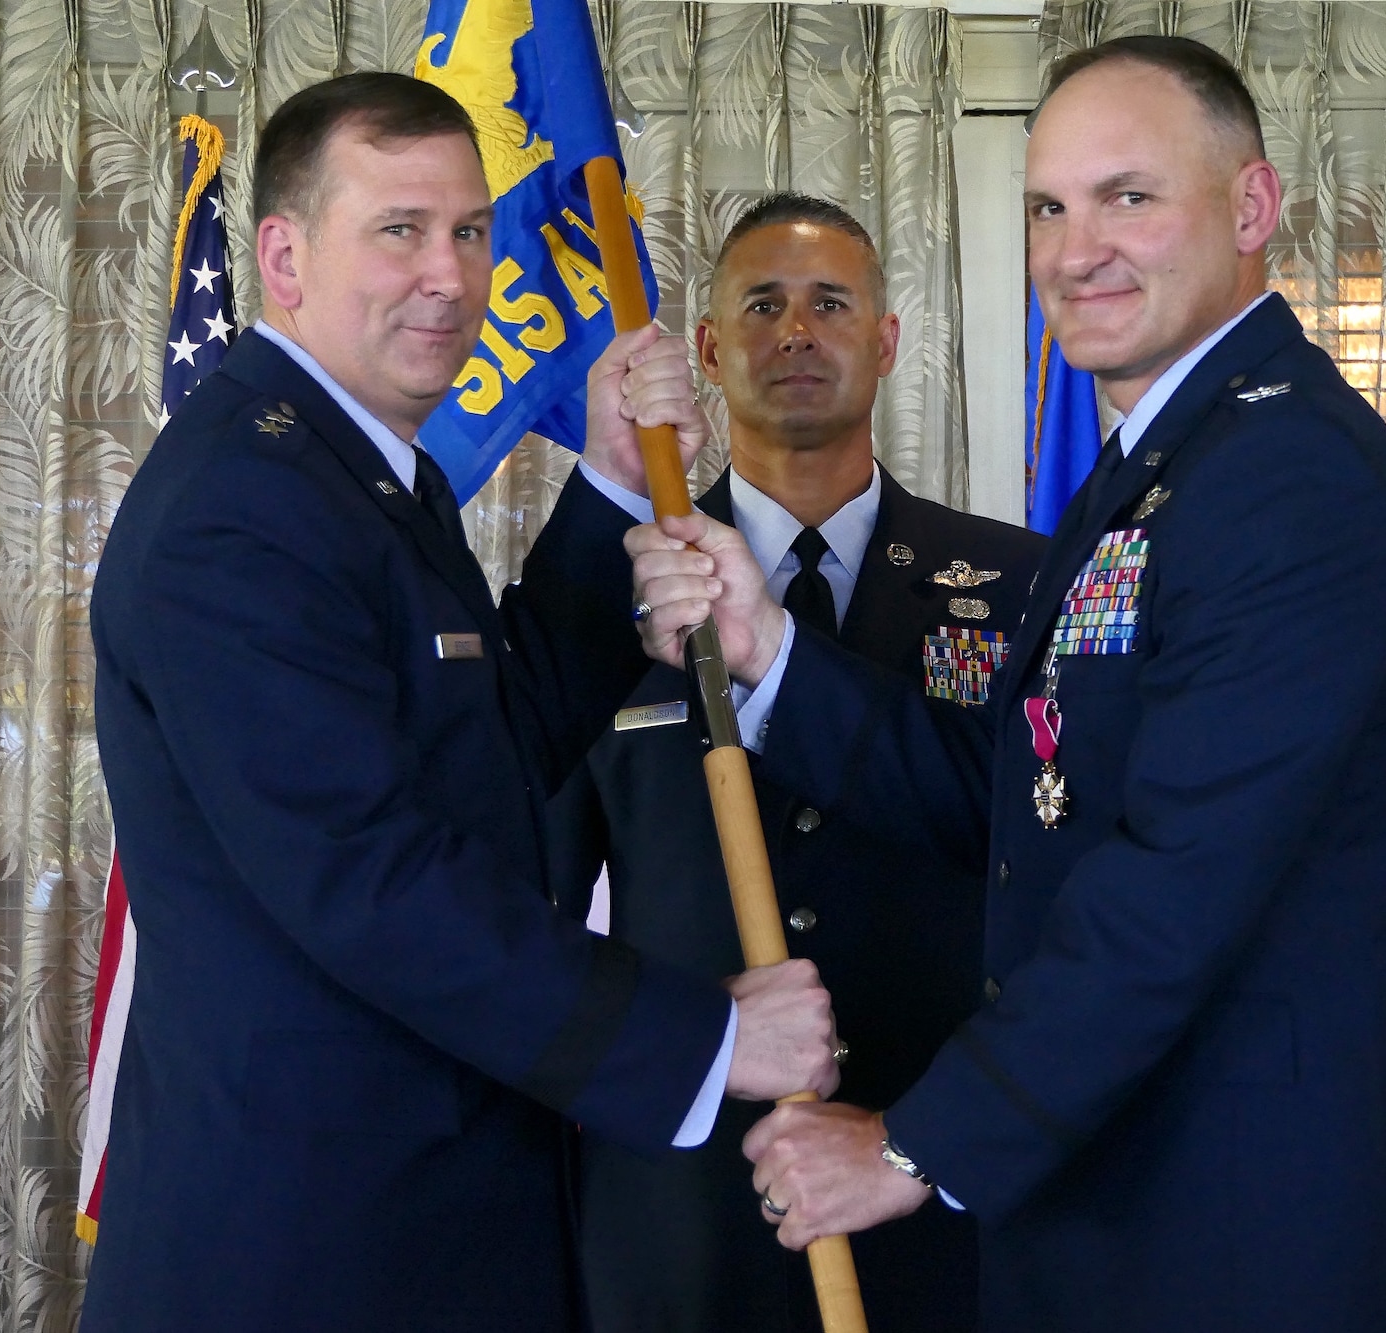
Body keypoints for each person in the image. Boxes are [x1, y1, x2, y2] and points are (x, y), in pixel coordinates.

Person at [627, 36, 1386, 1332]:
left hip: (1225, 1236)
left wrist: (914, 1144)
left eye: (1130, 196)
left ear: (1252, 207)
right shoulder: (1163, 465)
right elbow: (1031, 794)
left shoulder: (1290, 483)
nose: (1077, 250)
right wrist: (766, 651)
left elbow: (1173, 889)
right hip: (1117, 1208)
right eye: (1049, 208)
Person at [83, 73, 839, 1333]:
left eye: (471, 231)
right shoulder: (244, 504)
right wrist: (699, 1038)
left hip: (412, 1217)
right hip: (310, 1252)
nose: (450, 275)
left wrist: (603, 486)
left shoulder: (359, 476)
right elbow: (369, 879)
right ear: (281, 255)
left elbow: (478, 746)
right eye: (398, 230)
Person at [547, 193, 1044, 1333]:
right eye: (761, 305)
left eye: (830, 303)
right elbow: (532, 898)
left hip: (933, 1182)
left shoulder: (1018, 586)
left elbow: (1051, 868)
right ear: (710, 351)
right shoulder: (607, 586)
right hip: (678, 1206)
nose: (795, 332)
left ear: (885, 340)